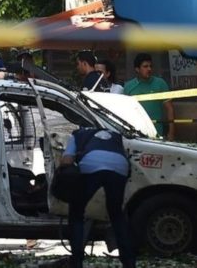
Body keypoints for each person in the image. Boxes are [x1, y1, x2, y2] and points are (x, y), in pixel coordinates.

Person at [61, 127, 135, 268]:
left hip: (91, 164)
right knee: (116, 214)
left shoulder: (78, 135)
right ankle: (129, 262)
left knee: (77, 212)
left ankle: (76, 261)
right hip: (120, 167)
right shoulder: (115, 135)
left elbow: (67, 161)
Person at [124, 53, 175, 140]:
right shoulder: (128, 86)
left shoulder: (160, 83)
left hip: (157, 133)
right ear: (137, 69)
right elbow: (125, 112)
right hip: (135, 134)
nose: (149, 69)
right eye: (145, 66)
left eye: (150, 66)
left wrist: (171, 133)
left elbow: (169, 109)